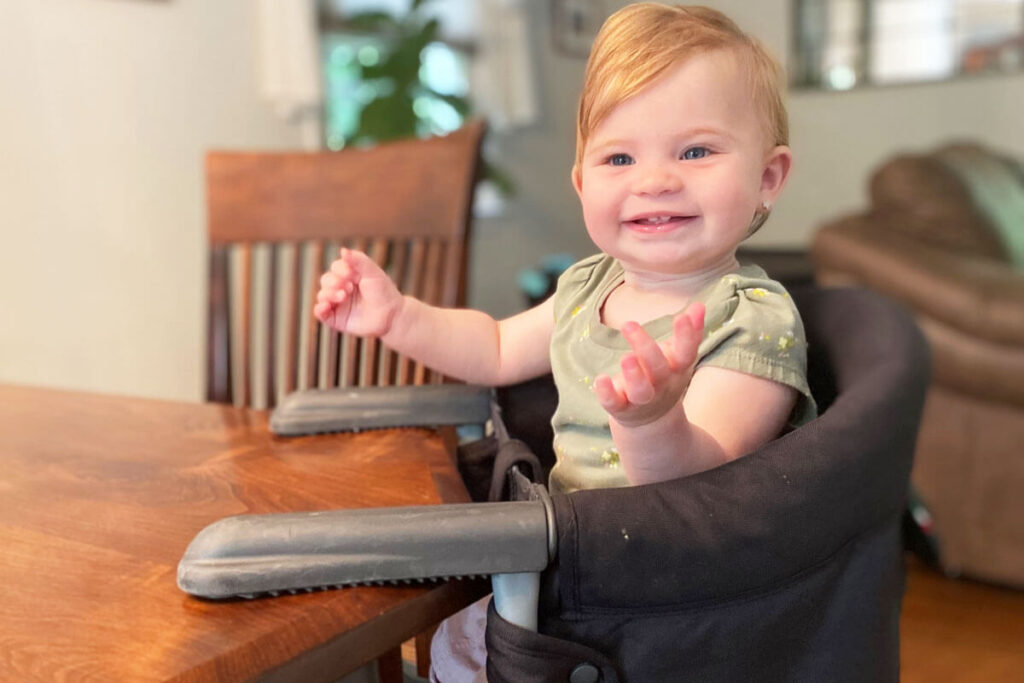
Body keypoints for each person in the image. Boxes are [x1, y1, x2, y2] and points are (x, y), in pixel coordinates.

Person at [314, 3, 816, 679]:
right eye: (619, 156)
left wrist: (652, 420)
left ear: (767, 178)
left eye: (696, 150)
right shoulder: (585, 285)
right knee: (437, 641)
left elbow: (700, 491)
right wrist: (399, 317)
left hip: (667, 608)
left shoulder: (753, 316)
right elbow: (492, 346)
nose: (655, 178)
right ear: (582, 183)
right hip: (569, 574)